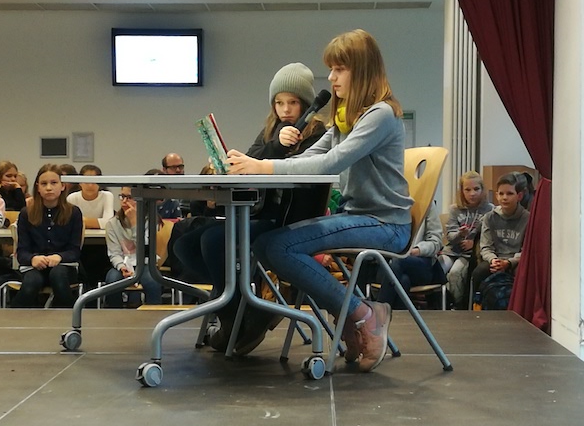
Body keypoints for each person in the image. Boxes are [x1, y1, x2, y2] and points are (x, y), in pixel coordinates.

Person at [227, 30, 413, 373]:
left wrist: (263, 167)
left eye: (339, 69)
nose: (330, 77)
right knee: (265, 244)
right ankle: (352, 314)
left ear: (362, 71)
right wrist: (262, 161)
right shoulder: (347, 119)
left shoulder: (381, 115)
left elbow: (330, 164)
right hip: (358, 218)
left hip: (386, 225)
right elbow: (310, 158)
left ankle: (364, 314)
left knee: (280, 246)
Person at [173, 61, 327, 352]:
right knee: (184, 244)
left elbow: (306, 170)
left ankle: (236, 317)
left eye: (293, 102)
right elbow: (250, 161)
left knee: (213, 241)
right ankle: (243, 311)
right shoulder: (271, 130)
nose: (285, 109)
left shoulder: (318, 133)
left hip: (292, 220)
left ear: (307, 104)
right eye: (279, 103)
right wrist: (270, 147)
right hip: (261, 214)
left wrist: (278, 150)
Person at [11, 164, 83, 308]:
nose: (49, 188)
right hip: (35, 266)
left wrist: (60, 257)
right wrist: (33, 258)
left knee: (58, 276)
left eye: (54, 183)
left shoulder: (74, 212)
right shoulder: (26, 213)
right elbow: (22, 252)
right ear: (38, 187)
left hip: (64, 266)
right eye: (44, 184)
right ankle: (15, 317)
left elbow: (75, 251)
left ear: (63, 186)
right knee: (31, 283)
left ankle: (70, 316)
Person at [438, 171, 494, 309]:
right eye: (467, 190)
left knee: (455, 273)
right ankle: (437, 304)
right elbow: (450, 236)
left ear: (482, 190)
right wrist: (460, 234)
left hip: (469, 255)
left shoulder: (490, 210)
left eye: (476, 189)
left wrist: (474, 244)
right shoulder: (454, 209)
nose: (472, 194)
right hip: (452, 250)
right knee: (437, 269)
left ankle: (456, 306)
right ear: (462, 191)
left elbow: (489, 237)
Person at [376, 203, 445, 310]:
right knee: (403, 280)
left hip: (419, 263)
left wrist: (417, 251)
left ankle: (378, 311)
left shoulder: (427, 204)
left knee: (398, 261)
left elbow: (436, 242)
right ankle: (393, 317)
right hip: (389, 261)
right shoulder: (389, 202)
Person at [103, 186, 162, 308]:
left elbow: (146, 249)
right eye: (122, 197)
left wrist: (135, 224)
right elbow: (114, 253)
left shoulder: (151, 220)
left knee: (152, 281)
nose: (124, 201)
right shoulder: (112, 223)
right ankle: (114, 314)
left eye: (129, 197)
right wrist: (122, 267)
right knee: (112, 280)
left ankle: (155, 314)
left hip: (145, 263)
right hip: (123, 264)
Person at [471, 173, 530, 294]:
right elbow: (485, 247)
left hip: (516, 262)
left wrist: (509, 263)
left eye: (510, 193)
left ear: (519, 196)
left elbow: (526, 250)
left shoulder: (527, 218)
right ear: (496, 195)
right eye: (501, 194)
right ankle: (477, 304)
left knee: (524, 273)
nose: (504, 198)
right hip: (495, 260)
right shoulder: (489, 217)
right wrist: (493, 260)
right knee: (478, 272)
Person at [66, 164, 114, 290]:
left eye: (94, 181)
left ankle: (97, 289)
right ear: (80, 182)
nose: (90, 185)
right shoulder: (72, 198)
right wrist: (96, 222)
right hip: (78, 243)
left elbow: (108, 222)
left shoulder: (107, 196)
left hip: (102, 243)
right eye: (87, 180)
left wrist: (81, 221)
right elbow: (68, 222)